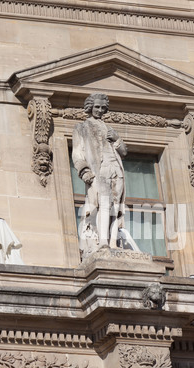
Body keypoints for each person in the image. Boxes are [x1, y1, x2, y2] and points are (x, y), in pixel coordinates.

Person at [72, 93, 127, 256]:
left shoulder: (110, 129)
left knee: (115, 205)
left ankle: (113, 242)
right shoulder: (81, 128)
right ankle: (103, 241)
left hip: (115, 168)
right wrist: (84, 170)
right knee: (103, 203)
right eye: (97, 107)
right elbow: (77, 153)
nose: (100, 110)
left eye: (103, 108)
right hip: (99, 169)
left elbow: (124, 152)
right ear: (90, 107)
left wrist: (117, 139)